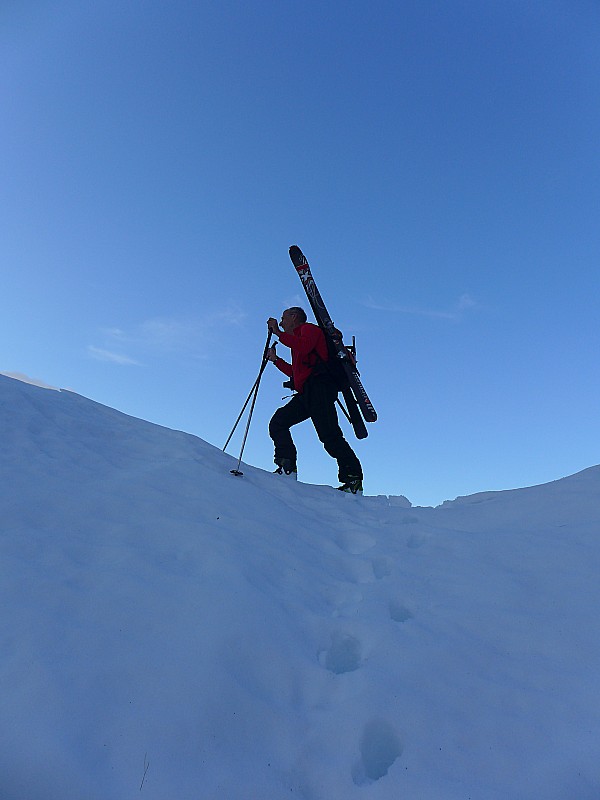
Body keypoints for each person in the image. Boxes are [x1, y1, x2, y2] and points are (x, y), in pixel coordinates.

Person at [266, 307, 363, 494]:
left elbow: (304, 346)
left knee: (330, 436)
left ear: (294, 318)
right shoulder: (296, 341)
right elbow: (296, 374)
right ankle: (287, 467)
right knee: (278, 422)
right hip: (308, 392)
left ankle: (353, 480)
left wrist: (277, 333)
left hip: (321, 389)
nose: (281, 322)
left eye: (283, 318)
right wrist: (275, 360)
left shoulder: (309, 330)